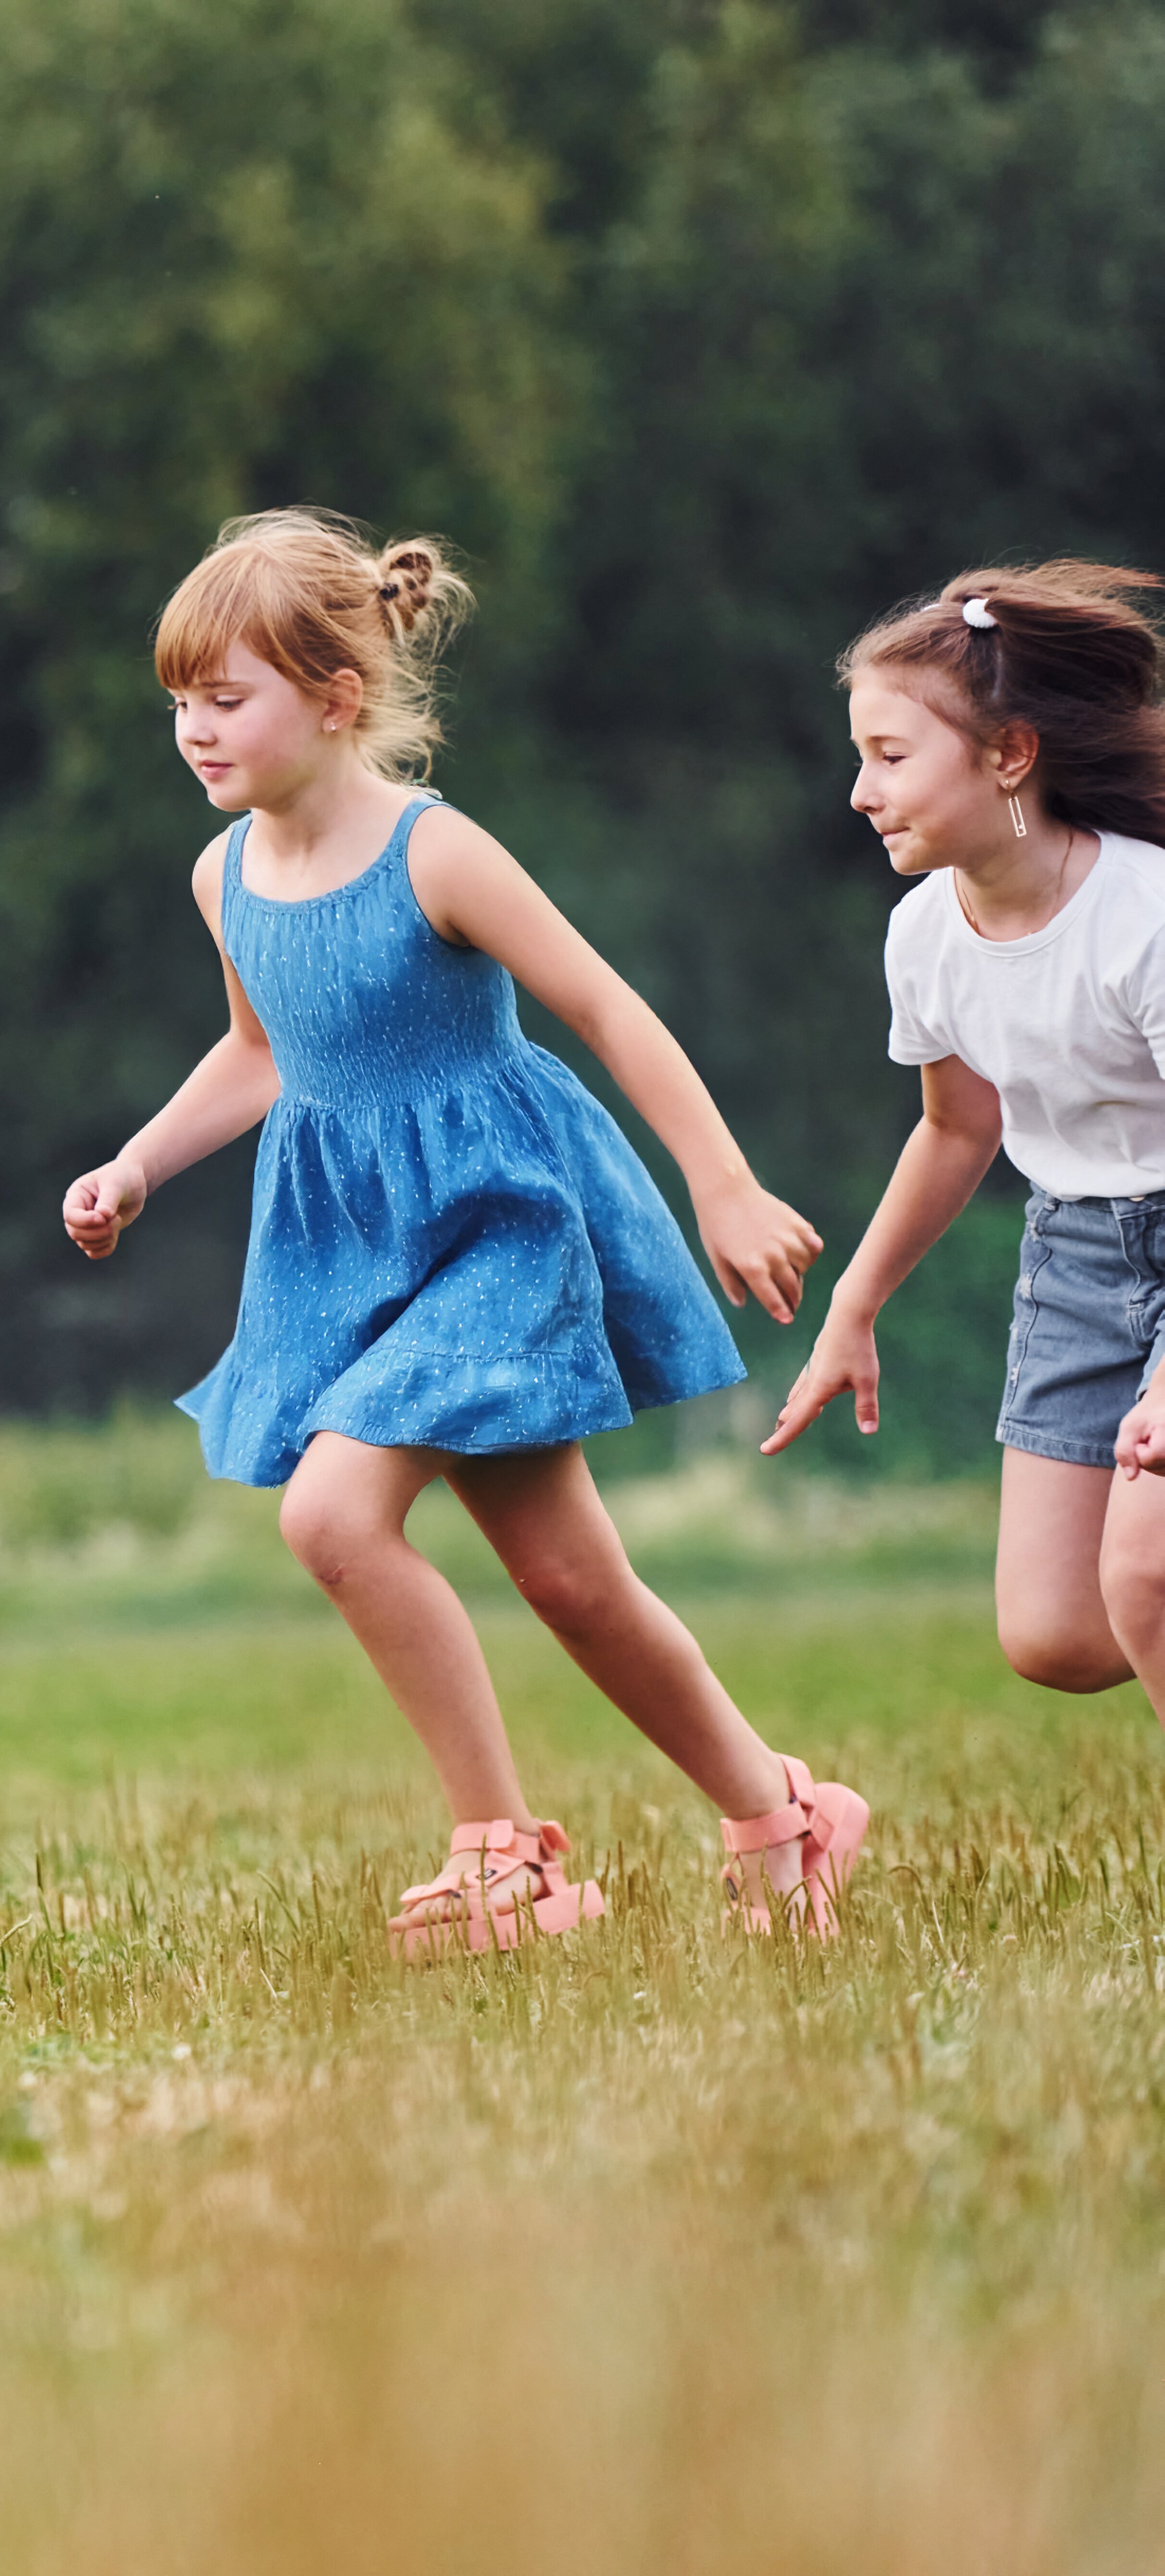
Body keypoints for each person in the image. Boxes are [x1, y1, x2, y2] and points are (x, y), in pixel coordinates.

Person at [60, 509, 868, 1949]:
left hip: (497, 1231)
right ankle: (781, 1815)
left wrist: (724, 1183)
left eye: (225, 699)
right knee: (572, 1581)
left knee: (333, 1513)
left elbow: (606, 1005)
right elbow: (260, 1053)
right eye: (179, 700)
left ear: (333, 699)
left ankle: (507, 1862)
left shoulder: (435, 853)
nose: (193, 728)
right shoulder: (224, 876)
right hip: (355, 1257)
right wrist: (135, 1166)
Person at [764, 563, 1165, 1718]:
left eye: (892, 757)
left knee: (1144, 1573)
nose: (859, 792)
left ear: (1009, 756)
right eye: (860, 757)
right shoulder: (924, 937)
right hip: (1078, 1259)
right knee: (1056, 1633)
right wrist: (855, 1306)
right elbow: (959, 1127)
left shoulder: (1141, 917)